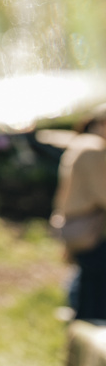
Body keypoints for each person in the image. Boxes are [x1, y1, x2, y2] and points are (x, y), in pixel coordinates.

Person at [52, 110, 106, 321]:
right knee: (95, 289)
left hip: (77, 225)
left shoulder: (82, 145)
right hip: (91, 228)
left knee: (87, 278)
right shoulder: (93, 149)